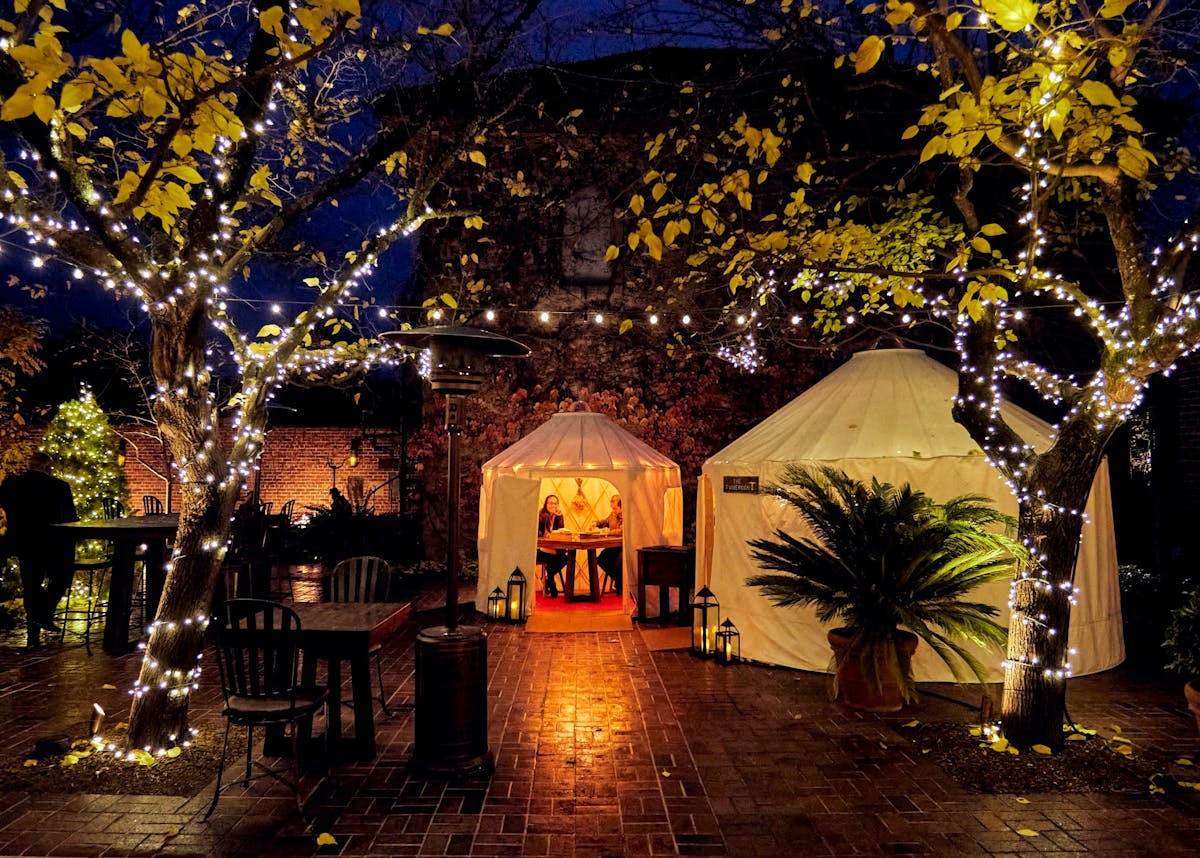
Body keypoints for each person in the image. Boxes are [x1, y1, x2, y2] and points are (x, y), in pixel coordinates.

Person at [0, 450, 78, 648]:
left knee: (31, 585)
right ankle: (44, 614)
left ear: (30, 464)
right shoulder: (59, 487)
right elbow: (70, 518)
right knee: (61, 578)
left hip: (24, 542)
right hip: (52, 543)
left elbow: (6, 505)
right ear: (46, 466)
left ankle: (33, 636)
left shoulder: (12, 484)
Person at [536, 494, 567, 597]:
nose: (553, 505)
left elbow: (561, 532)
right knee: (553, 557)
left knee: (565, 558)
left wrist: (559, 517)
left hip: (553, 549)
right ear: (546, 504)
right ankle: (551, 581)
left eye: (555, 503)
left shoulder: (559, 516)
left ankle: (549, 579)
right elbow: (539, 533)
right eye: (550, 503)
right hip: (541, 549)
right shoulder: (542, 515)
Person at [596, 494, 623, 591]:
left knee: (620, 560)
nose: (613, 511)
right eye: (612, 508)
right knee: (601, 559)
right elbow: (604, 522)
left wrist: (609, 532)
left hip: (623, 547)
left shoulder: (628, 516)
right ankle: (619, 581)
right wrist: (595, 523)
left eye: (615, 508)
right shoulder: (613, 515)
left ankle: (620, 584)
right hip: (613, 546)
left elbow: (622, 531)